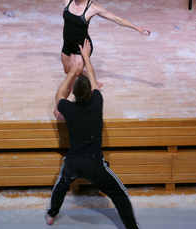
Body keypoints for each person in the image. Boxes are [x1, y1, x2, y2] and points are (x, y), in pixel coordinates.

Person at [17, 0, 151, 114]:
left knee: (72, 76)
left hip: (82, 47)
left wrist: (137, 28)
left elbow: (116, 18)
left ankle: (61, 107)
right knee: (68, 70)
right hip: (67, 43)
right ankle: (93, 81)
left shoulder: (92, 8)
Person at [44, 39, 140, 229]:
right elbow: (95, 82)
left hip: (74, 163)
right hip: (95, 164)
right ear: (90, 94)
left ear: (76, 95)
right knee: (120, 195)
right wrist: (87, 57)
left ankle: (51, 214)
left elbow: (59, 96)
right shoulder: (97, 102)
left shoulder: (68, 108)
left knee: (61, 185)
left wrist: (72, 72)